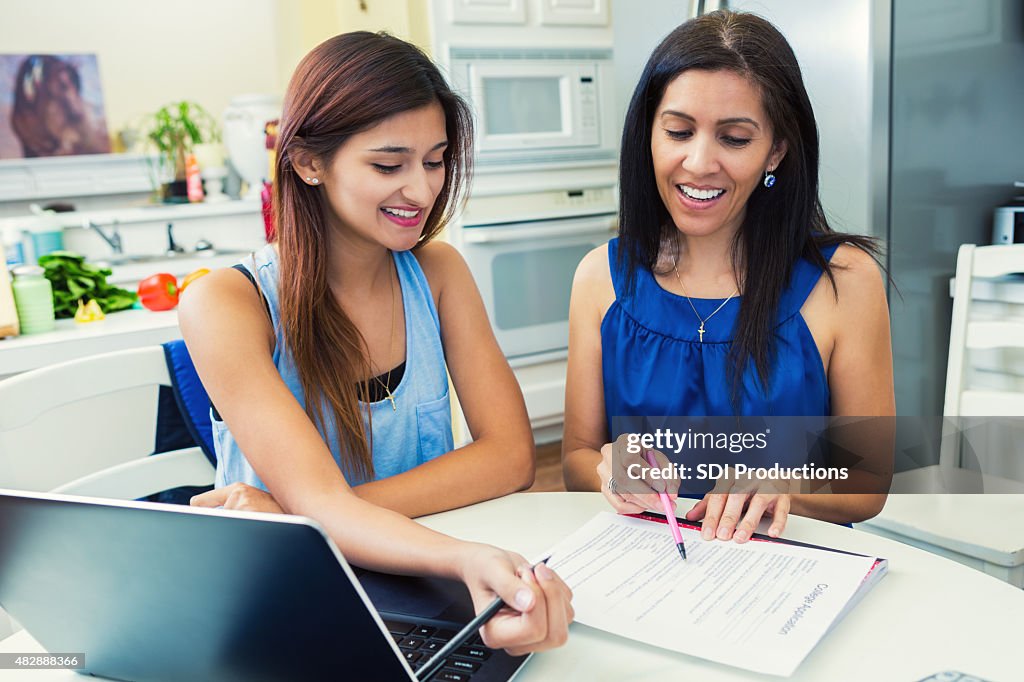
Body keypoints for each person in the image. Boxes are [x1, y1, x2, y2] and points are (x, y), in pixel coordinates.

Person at [180, 32, 572, 654]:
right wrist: (320, 514)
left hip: (421, 577)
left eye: (436, 160)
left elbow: (512, 456)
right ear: (308, 162)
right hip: (282, 597)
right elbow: (322, 504)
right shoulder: (225, 305)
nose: (420, 191)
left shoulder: (439, 273)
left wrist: (307, 516)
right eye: (388, 165)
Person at [562, 10, 894, 543]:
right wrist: (611, 469)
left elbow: (869, 481)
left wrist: (785, 484)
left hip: (792, 571)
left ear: (776, 151)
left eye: (734, 139)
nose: (698, 162)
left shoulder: (845, 280)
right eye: (678, 131)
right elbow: (578, 458)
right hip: (652, 567)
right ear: (649, 135)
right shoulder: (599, 277)